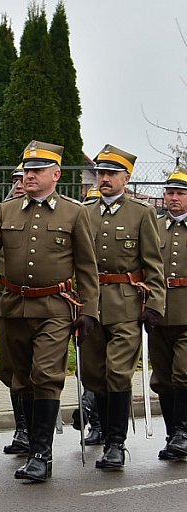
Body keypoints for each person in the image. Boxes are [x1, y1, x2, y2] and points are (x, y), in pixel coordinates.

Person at [0, 140, 99, 482]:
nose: (30, 175)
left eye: (37, 170)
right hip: (12, 305)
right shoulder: (6, 211)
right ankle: (28, 438)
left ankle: (41, 455)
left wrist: (88, 310)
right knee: (18, 376)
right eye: (27, 170)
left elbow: (86, 266)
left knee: (46, 375)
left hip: (54, 307)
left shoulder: (74, 212)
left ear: (56, 174)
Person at [80, 144, 165, 470]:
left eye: (111, 174)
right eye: (101, 173)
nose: (104, 179)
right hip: (91, 303)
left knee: (117, 372)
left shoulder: (141, 214)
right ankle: (100, 426)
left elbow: (153, 265)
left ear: (126, 178)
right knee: (92, 373)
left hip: (127, 304)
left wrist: (155, 302)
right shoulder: (85, 213)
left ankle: (116, 444)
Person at [149, 167, 187, 460]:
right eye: (170, 192)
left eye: (181, 193)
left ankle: (183, 432)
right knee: (161, 378)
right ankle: (173, 432)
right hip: (159, 311)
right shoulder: (155, 227)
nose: (174, 198)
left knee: (183, 373)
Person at [0, 164, 31, 456]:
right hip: (9, 299)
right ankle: (21, 427)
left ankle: (34, 432)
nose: (20, 183)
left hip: (43, 304)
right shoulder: (5, 212)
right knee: (11, 369)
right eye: (16, 179)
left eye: (24, 178)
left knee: (38, 371)